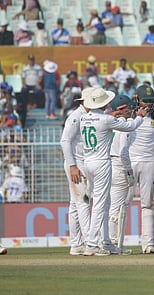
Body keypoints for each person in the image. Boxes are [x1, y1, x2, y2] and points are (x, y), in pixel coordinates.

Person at [81, 88, 147, 256]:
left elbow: (106, 121)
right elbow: (130, 126)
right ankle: (92, 243)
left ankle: (107, 242)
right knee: (100, 205)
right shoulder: (106, 120)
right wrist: (140, 116)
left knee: (104, 204)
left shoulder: (84, 117)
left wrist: (112, 116)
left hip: (88, 161)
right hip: (102, 163)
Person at [129, 85, 154, 254]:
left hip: (148, 163)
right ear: (137, 99)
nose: (148, 105)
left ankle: (148, 244)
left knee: (147, 205)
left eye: (151, 101)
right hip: (129, 162)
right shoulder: (129, 117)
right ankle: (114, 243)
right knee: (122, 203)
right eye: (145, 102)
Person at [60, 88, 94, 256]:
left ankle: (76, 244)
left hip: (80, 163)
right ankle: (90, 242)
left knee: (74, 205)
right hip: (76, 164)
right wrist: (72, 165)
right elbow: (65, 141)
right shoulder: (75, 117)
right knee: (83, 202)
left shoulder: (87, 116)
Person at [108, 95, 136, 255]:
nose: (131, 109)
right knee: (117, 208)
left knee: (112, 207)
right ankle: (113, 243)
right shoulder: (123, 124)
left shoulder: (110, 123)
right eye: (129, 107)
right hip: (119, 166)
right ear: (121, 109)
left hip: (109, 165)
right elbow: (123, 152)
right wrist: (129, 172)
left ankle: (111, 242)